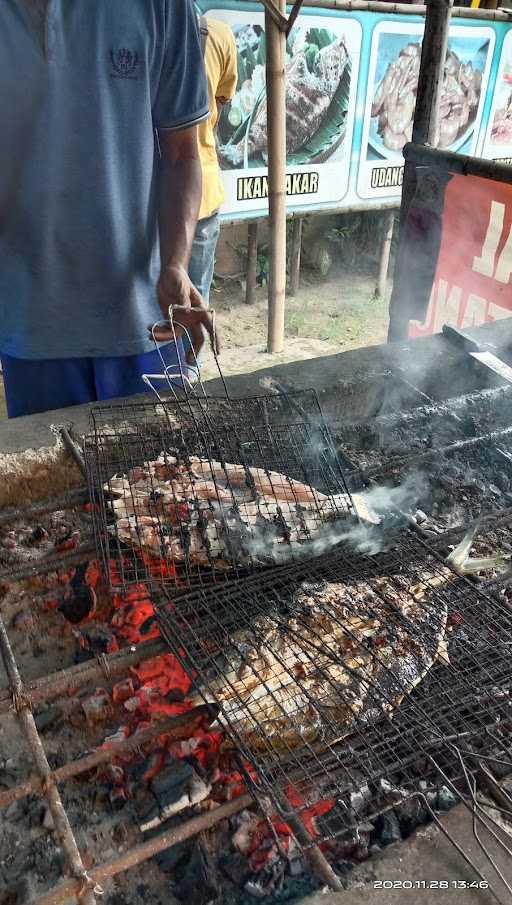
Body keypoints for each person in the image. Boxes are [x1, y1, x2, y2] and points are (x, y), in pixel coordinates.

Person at [0, 0, 213, 417]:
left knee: (165, 474)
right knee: (59, 481)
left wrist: (176, 262)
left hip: (147, 321)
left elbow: (183, 154)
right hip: (29, 326)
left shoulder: (163, 7)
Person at [155, 14, 237, 370]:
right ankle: (186, 372)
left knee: (171, 298)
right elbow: (223, 100)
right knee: (192, 295)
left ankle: (174, 372)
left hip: (161, 196)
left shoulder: (151, 31)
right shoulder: (220, 35)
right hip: (201, 194)